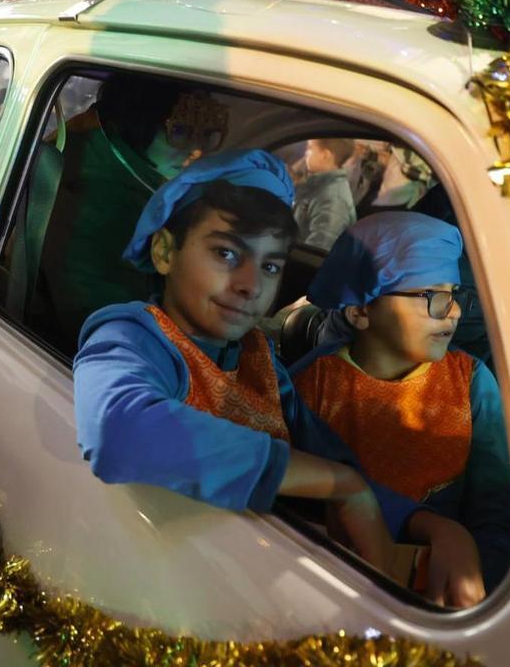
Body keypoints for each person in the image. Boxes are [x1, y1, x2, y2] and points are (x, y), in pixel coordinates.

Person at [74, 150, 486, 607]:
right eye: (226, 253)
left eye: (270, 266)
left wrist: (432, 526)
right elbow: (117, 430)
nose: (251, 284)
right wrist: (336, 484)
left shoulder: (257, 355)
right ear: (166, 251)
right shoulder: (134, 335)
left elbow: (333, 461)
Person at [291, 212, 510, 590]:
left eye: (456, 295)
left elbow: (497, 512)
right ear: (361, 311)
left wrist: (473, 582)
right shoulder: (310, 386)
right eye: (433, 297)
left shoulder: (472, 382)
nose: (455, 311)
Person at [38, 76, 225, 353]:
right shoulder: (96, 187)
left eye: (206, 133)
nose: (196, 149)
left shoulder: (127, 167)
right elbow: (99, 311)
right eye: (180, 130)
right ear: (141, 124)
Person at [294, 138, 356, 250]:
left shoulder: (333, 199)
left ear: (325, 156)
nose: (305, 153)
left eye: (310, 148)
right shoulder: (318, 186)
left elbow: (317, 251)